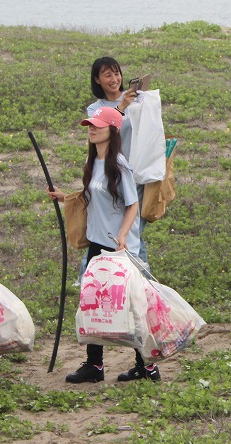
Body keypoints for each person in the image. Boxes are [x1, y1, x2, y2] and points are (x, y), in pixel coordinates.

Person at [47, 107, 159, 383]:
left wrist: (122, 235)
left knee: (130, 305)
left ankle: (147, 367)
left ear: (113, 130)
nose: (91, 129)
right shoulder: (94, 162)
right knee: (94, 302)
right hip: (97, 244)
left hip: (119, 248)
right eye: (89, 125)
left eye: (97, 125)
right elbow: (91, 196)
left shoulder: (119, 164)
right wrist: (65, 198)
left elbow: (133, 204)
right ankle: (94, 366)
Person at [88, 56, 154, 264]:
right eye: (108, 75)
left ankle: (141, 275)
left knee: (133, 228)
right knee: (108, 228)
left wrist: (142, 103)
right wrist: (122, 107)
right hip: (110, 173)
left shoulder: (134, 100)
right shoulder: (95, 108)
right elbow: (106, 127)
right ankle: (92, 270)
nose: (114, 79)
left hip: (135, 171)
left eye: (117, 73)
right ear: (97, 80)